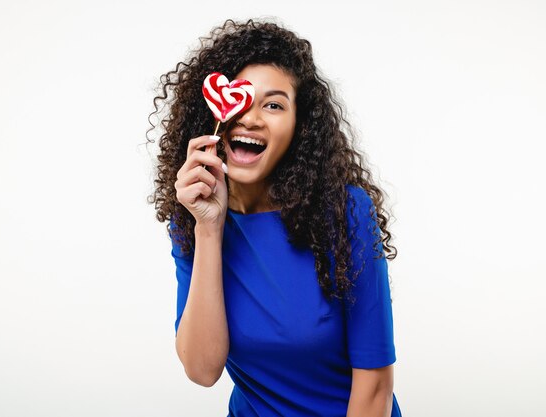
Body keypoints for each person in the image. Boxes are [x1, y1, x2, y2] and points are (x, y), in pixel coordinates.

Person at [147, 17, 402, 417]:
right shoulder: (193, 221)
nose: (251, 118)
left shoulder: (345, 211)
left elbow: (375, 386)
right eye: (241, 100)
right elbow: (202, 369)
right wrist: (209, 230)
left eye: (274, 104)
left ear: (299, 128)